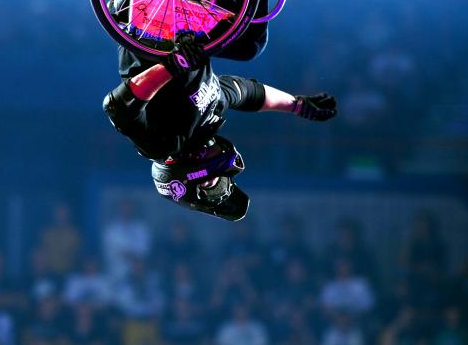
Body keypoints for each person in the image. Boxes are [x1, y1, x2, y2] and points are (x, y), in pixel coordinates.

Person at [103, 31, 337, 221]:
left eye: (209, 184)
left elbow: (118, 108)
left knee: (251, 44)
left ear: (184, 180)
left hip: (148, 29)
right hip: (187, 27)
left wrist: (173, 65)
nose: (216, 177)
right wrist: (297, 106)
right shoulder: (210, 117)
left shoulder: (162, 146)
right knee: (251, 45)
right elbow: (247, 93)